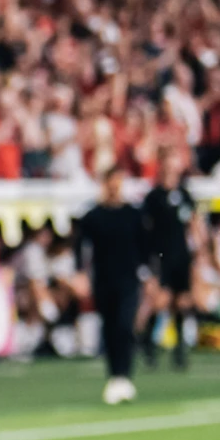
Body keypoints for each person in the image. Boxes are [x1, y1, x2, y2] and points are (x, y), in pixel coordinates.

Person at [78, 166, 149, 405]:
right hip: (104, 280)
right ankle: (114, 376)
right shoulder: (94, 216)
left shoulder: (133, 214)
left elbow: (147, 248)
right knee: (109, 328)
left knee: (124, 326)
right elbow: (81, 247)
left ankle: (125, 375)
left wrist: (150, 275)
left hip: (129, 280)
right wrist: (80, 274)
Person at [140, 151, 202, 369]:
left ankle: (179, 348)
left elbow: (194, 223)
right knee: (161, 301)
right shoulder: (153, 197)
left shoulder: (184, 195)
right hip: (160, 254)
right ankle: (147, 342)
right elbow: (145, 229)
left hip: (181, 253)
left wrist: (199, 250)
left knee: (182, 301)